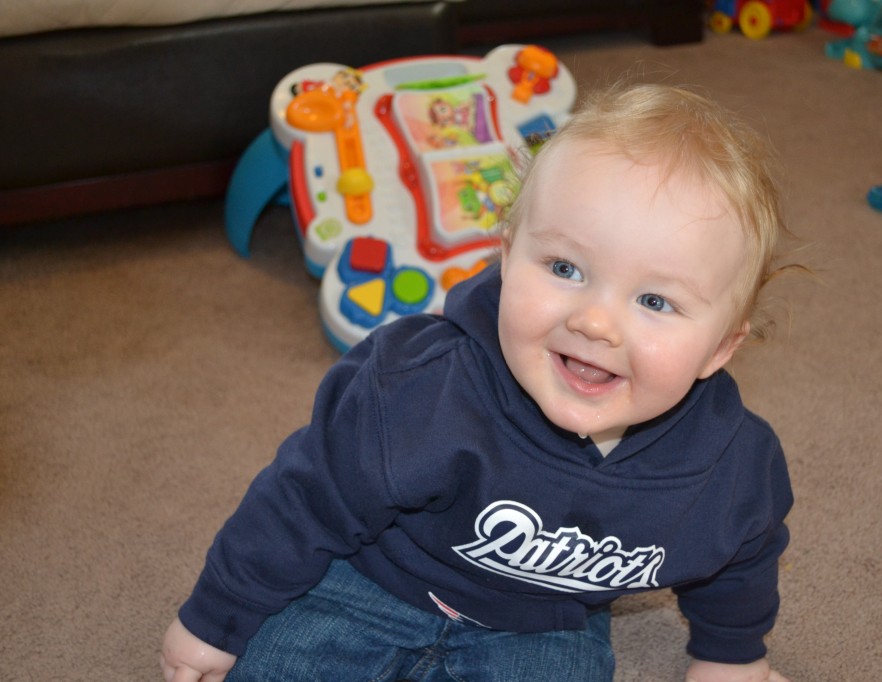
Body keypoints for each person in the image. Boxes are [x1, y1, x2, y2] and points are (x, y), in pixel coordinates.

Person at [161, 82, 800, 682]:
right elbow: (303, 499)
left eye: (656, 302)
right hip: (371, 578)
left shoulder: (733, 467)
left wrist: (730, 659)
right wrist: (215, 620)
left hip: (547, 623)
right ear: (505, 254)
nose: (596, 322)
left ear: (721, 346)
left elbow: (741, 559)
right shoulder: (419, 386)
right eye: (564, 267)